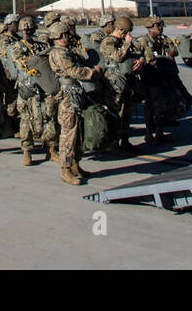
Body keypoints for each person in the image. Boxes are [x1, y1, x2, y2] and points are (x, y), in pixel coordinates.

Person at [48, 21, 103, 185]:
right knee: (68, 133)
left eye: (66, 35)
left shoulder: (68, 51)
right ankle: (65, 169)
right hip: (67, 97)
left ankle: (75, 165)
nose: (65, 38)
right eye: (62, 35)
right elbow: (72, 71)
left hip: (76, 94)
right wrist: (92, 73)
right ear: (56, 37)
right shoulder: (58, 53)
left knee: (77, 132)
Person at [7, 16, 60, 166]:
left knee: (49, 117)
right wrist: (38, 59)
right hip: (27, 88)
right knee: (26, 120)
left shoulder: (41, 45)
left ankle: (51, 149)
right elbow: (22, 64)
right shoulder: (16, 47)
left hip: (43, 87)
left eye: (29, 29)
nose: (26, 32)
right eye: (24, 30)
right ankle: (27, 151)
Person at [99, 15, 146, 154]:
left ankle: (125, 141)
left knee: (127, 113)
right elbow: (117, 56)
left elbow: (137, 52)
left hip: (128, 82)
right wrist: (126, 43)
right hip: (114, 83)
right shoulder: (108, 41)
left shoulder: (124, 41)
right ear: (119, 30)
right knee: (115, 113)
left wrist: (140, 61)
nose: (129, 35)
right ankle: (114, 144)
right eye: (126, 32)